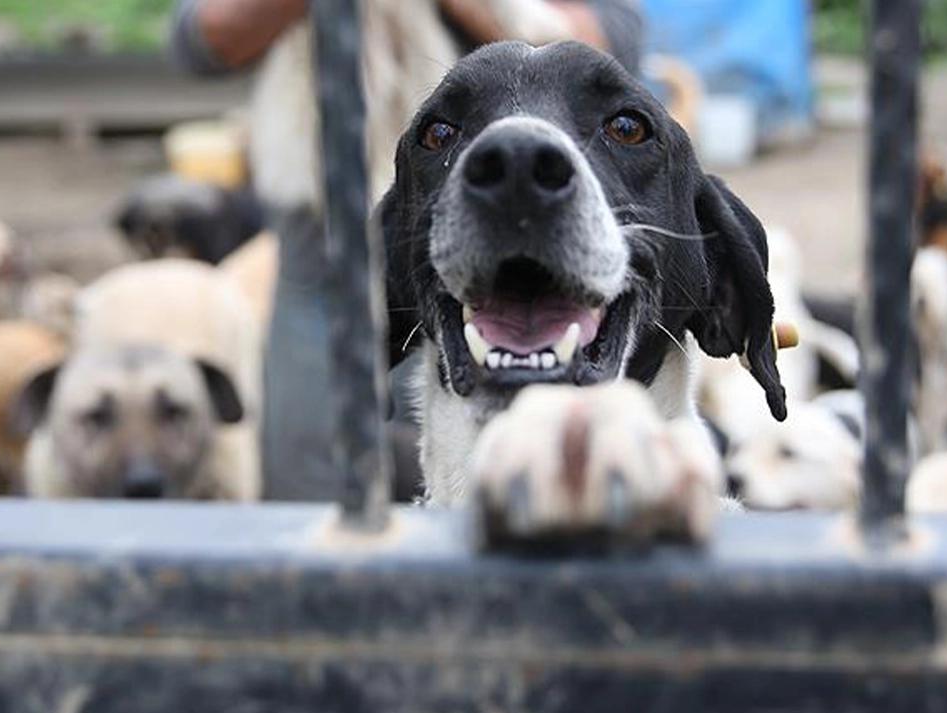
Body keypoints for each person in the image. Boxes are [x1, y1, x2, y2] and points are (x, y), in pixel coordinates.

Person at [171, 0, 644, 500]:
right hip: (322, 261)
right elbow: (202, 41)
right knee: (317, 503)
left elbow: (608, 50)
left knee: (510, 498)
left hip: (499, 258)